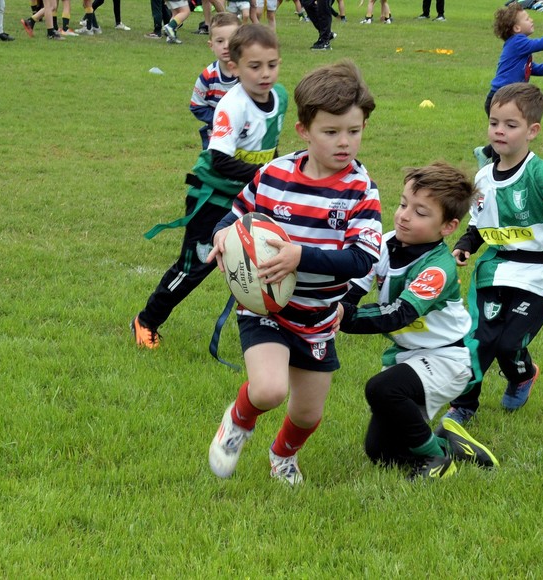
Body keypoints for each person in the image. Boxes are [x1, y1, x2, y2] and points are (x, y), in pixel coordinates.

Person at [207, 60, 382, 485]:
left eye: (354, 131)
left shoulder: (361, 190)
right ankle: (238, 423)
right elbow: (235, 217)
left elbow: (363, 259)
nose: (345, 143)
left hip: (317, 317)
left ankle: (283, 456)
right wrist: (222, 237)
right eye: (332, 132)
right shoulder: (273, 175)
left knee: (308, 413)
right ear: (304, 129)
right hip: (265, 306)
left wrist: (300, 256)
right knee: (269, 390)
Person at [440, 83, 543, 427]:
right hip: (495, 270)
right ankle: (463, 405)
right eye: (494, 123)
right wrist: (465, 246)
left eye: (511, 125)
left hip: (537, 275)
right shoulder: (483, 177)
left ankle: (522, 374)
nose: (499, 131)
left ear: (532, 131)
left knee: (509, 344)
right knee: (479, 341)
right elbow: (479, 223)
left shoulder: (541, 173)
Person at [337, 162, 499, 480]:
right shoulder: (383, 244)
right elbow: (353, 287)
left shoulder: (439, 267)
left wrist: (347, 318)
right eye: (402, 204)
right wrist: (335, 306)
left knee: (382, 389)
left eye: (420, 212)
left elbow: (401, 313)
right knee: (380, 452)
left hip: (448, 358)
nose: (403, 216)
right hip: (409, 356)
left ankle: (436, 459)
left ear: (448, 227)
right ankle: (449, 442)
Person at [131, 24, 288, 349]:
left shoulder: (281, 97)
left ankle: (278, 328)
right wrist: (266, 174)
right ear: (234, 67)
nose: (265, 74)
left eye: (271, 65)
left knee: (272, 257)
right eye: (254, 66)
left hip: (252, 192)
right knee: (196, 266)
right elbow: (219, 160)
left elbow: (270, 144)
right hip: (213, 198)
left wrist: (270, 178)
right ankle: (146, 320)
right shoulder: (233, 105)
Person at [473, 2, 543, 169]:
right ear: (517, 28)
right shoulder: (517, 42)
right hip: (500, 99)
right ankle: (498, 169)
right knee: (504, 135)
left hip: (510, 98)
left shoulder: (520, 47)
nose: (531, 19)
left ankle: (486, 154)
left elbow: (533, 69)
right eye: (527, 18)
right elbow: (540, 44)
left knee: (510, 131)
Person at [190, 13, 241, 150]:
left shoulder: (247, 73)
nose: (226, 46)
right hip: (216, 137)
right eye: (220, 41)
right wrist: (220, 121)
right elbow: (196, 106)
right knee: (215, 167)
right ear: (211, 45)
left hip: (244, 136)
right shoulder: (208, 76)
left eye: (232, 40)